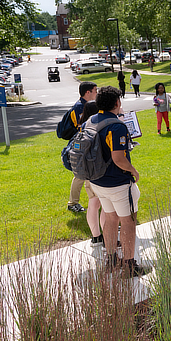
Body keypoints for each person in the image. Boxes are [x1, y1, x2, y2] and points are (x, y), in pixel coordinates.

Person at [89, 86, 148, 278]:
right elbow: (118, 158)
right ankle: (130, 265)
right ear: (117, 103)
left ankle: (112, 259)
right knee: (128, 222)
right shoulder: (116, 126)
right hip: (118, 183)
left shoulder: (91, 120)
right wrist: (133, 170)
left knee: (110, 219)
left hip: (98, 181)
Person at [63, 81, 97, 213]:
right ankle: (74, 203)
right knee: (81, 175)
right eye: (95, 90)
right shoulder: (79, 107)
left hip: (86, 145)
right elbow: (81, 127)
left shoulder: (86, 105)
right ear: (87, 92)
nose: (96, 93)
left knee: (84, 176)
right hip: (82, 146)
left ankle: (91, 202)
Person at [77, 100, 105, 245]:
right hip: (98, 170)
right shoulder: (97, 126)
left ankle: (96, 237)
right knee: (106, 204)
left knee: (93, 203)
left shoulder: (83, 126)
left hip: (87, 170)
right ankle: (107, 236)